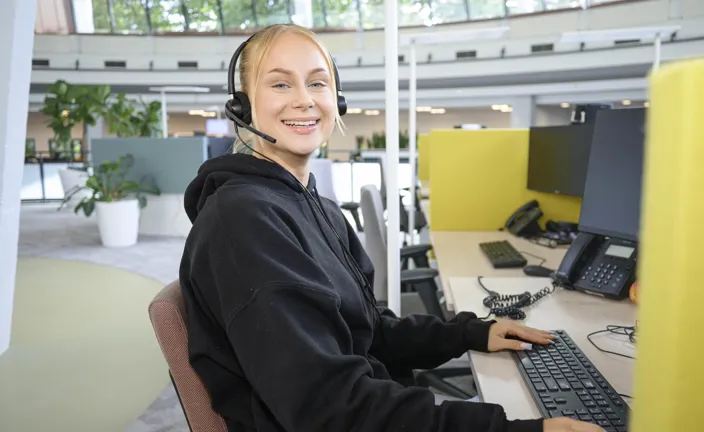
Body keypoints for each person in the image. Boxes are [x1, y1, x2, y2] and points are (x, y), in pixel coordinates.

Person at [178, 24, 604, 432]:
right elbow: (327, 409)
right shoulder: (244, 223)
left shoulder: (316, 207)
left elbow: (370, 331)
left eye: (318, 82)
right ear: (243, 105)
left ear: (337, 99)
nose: (305, 100)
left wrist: (472, 332)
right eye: (280, 84)